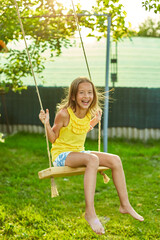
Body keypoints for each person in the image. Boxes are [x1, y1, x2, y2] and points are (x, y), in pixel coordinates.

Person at [39, 77, 144, 235]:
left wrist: (95, 120)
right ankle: (90, 212)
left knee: (115, 159)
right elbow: (53, 138)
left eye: (89, 92)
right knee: (92, 159)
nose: (86, 96)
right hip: (61, 155)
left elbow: (82, 128)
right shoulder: (64, 114)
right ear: (73, 96)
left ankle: (125, 205)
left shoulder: (89, 112)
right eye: (82, 93)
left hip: (79, 152)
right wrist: (46, 124)